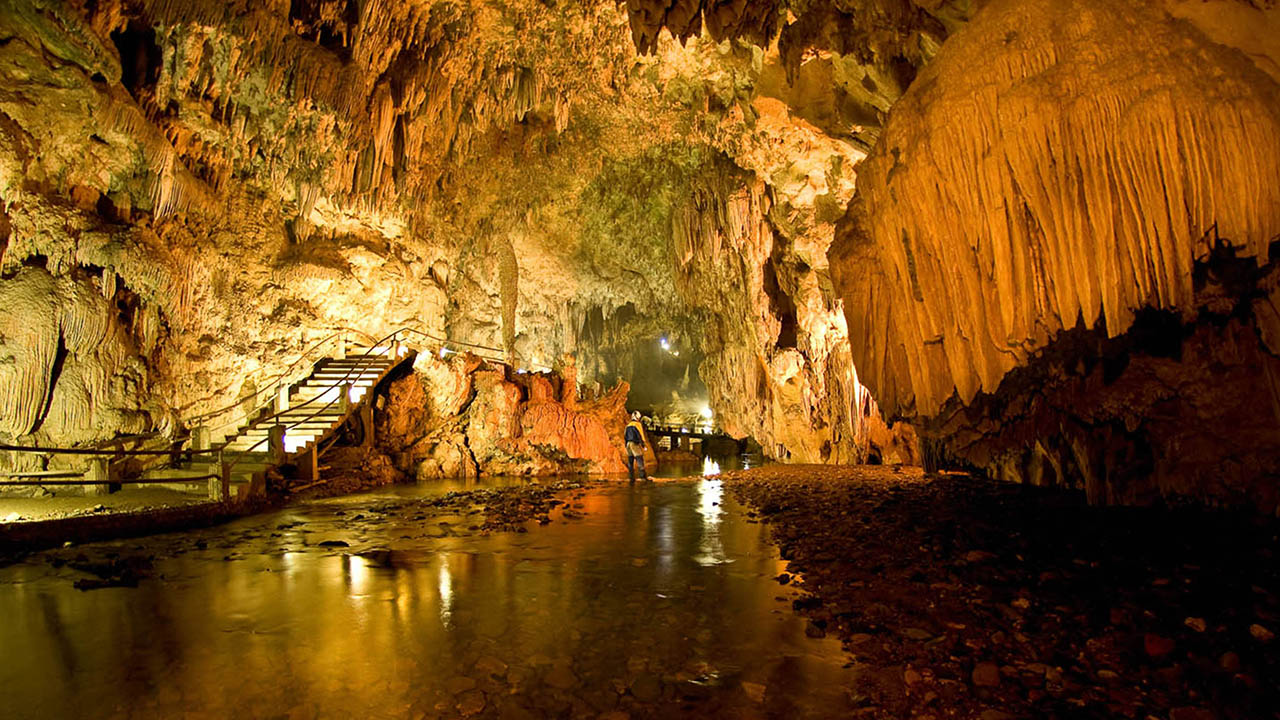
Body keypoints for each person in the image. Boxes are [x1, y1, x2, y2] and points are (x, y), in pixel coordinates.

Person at [624, 411, 649, 482]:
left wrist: (626, 445)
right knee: (639, 459)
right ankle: (642, 477)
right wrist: (643, 445)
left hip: (628, 444)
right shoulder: (637, 424)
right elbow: (640, 435)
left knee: (630, 460)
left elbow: (625, 436)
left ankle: (631, 477)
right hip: (634, 443)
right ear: (637, 417)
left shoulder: (628, 425)